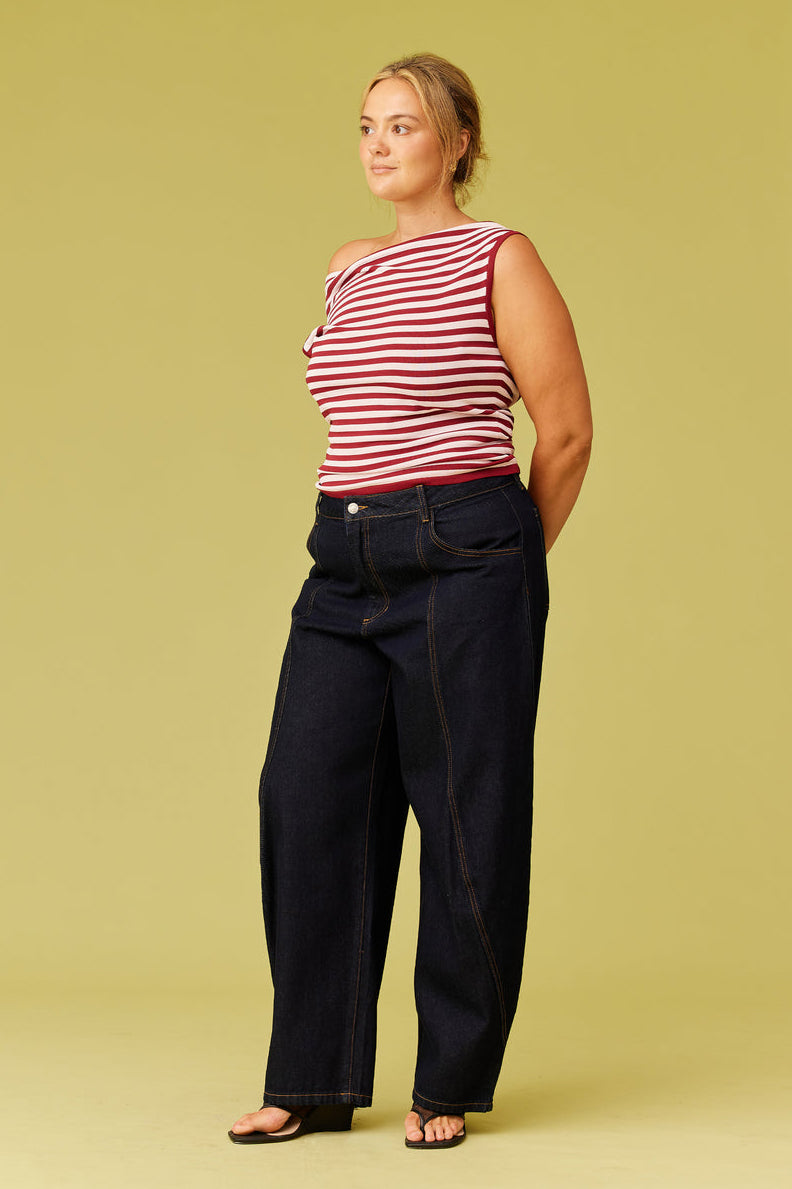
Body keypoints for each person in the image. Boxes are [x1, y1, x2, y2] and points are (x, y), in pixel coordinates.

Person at [229, 51, 592, 1150]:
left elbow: (566, 432)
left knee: (468, 818)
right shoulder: (347, 267)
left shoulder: (500, 256)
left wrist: (505, 566)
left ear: (458, 142)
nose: (379, 144)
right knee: (304, 800)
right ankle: (313, 1077)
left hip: (466, 545)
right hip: (344, 553)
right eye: (366, 126)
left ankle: (448, 1082)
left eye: (403, 125)